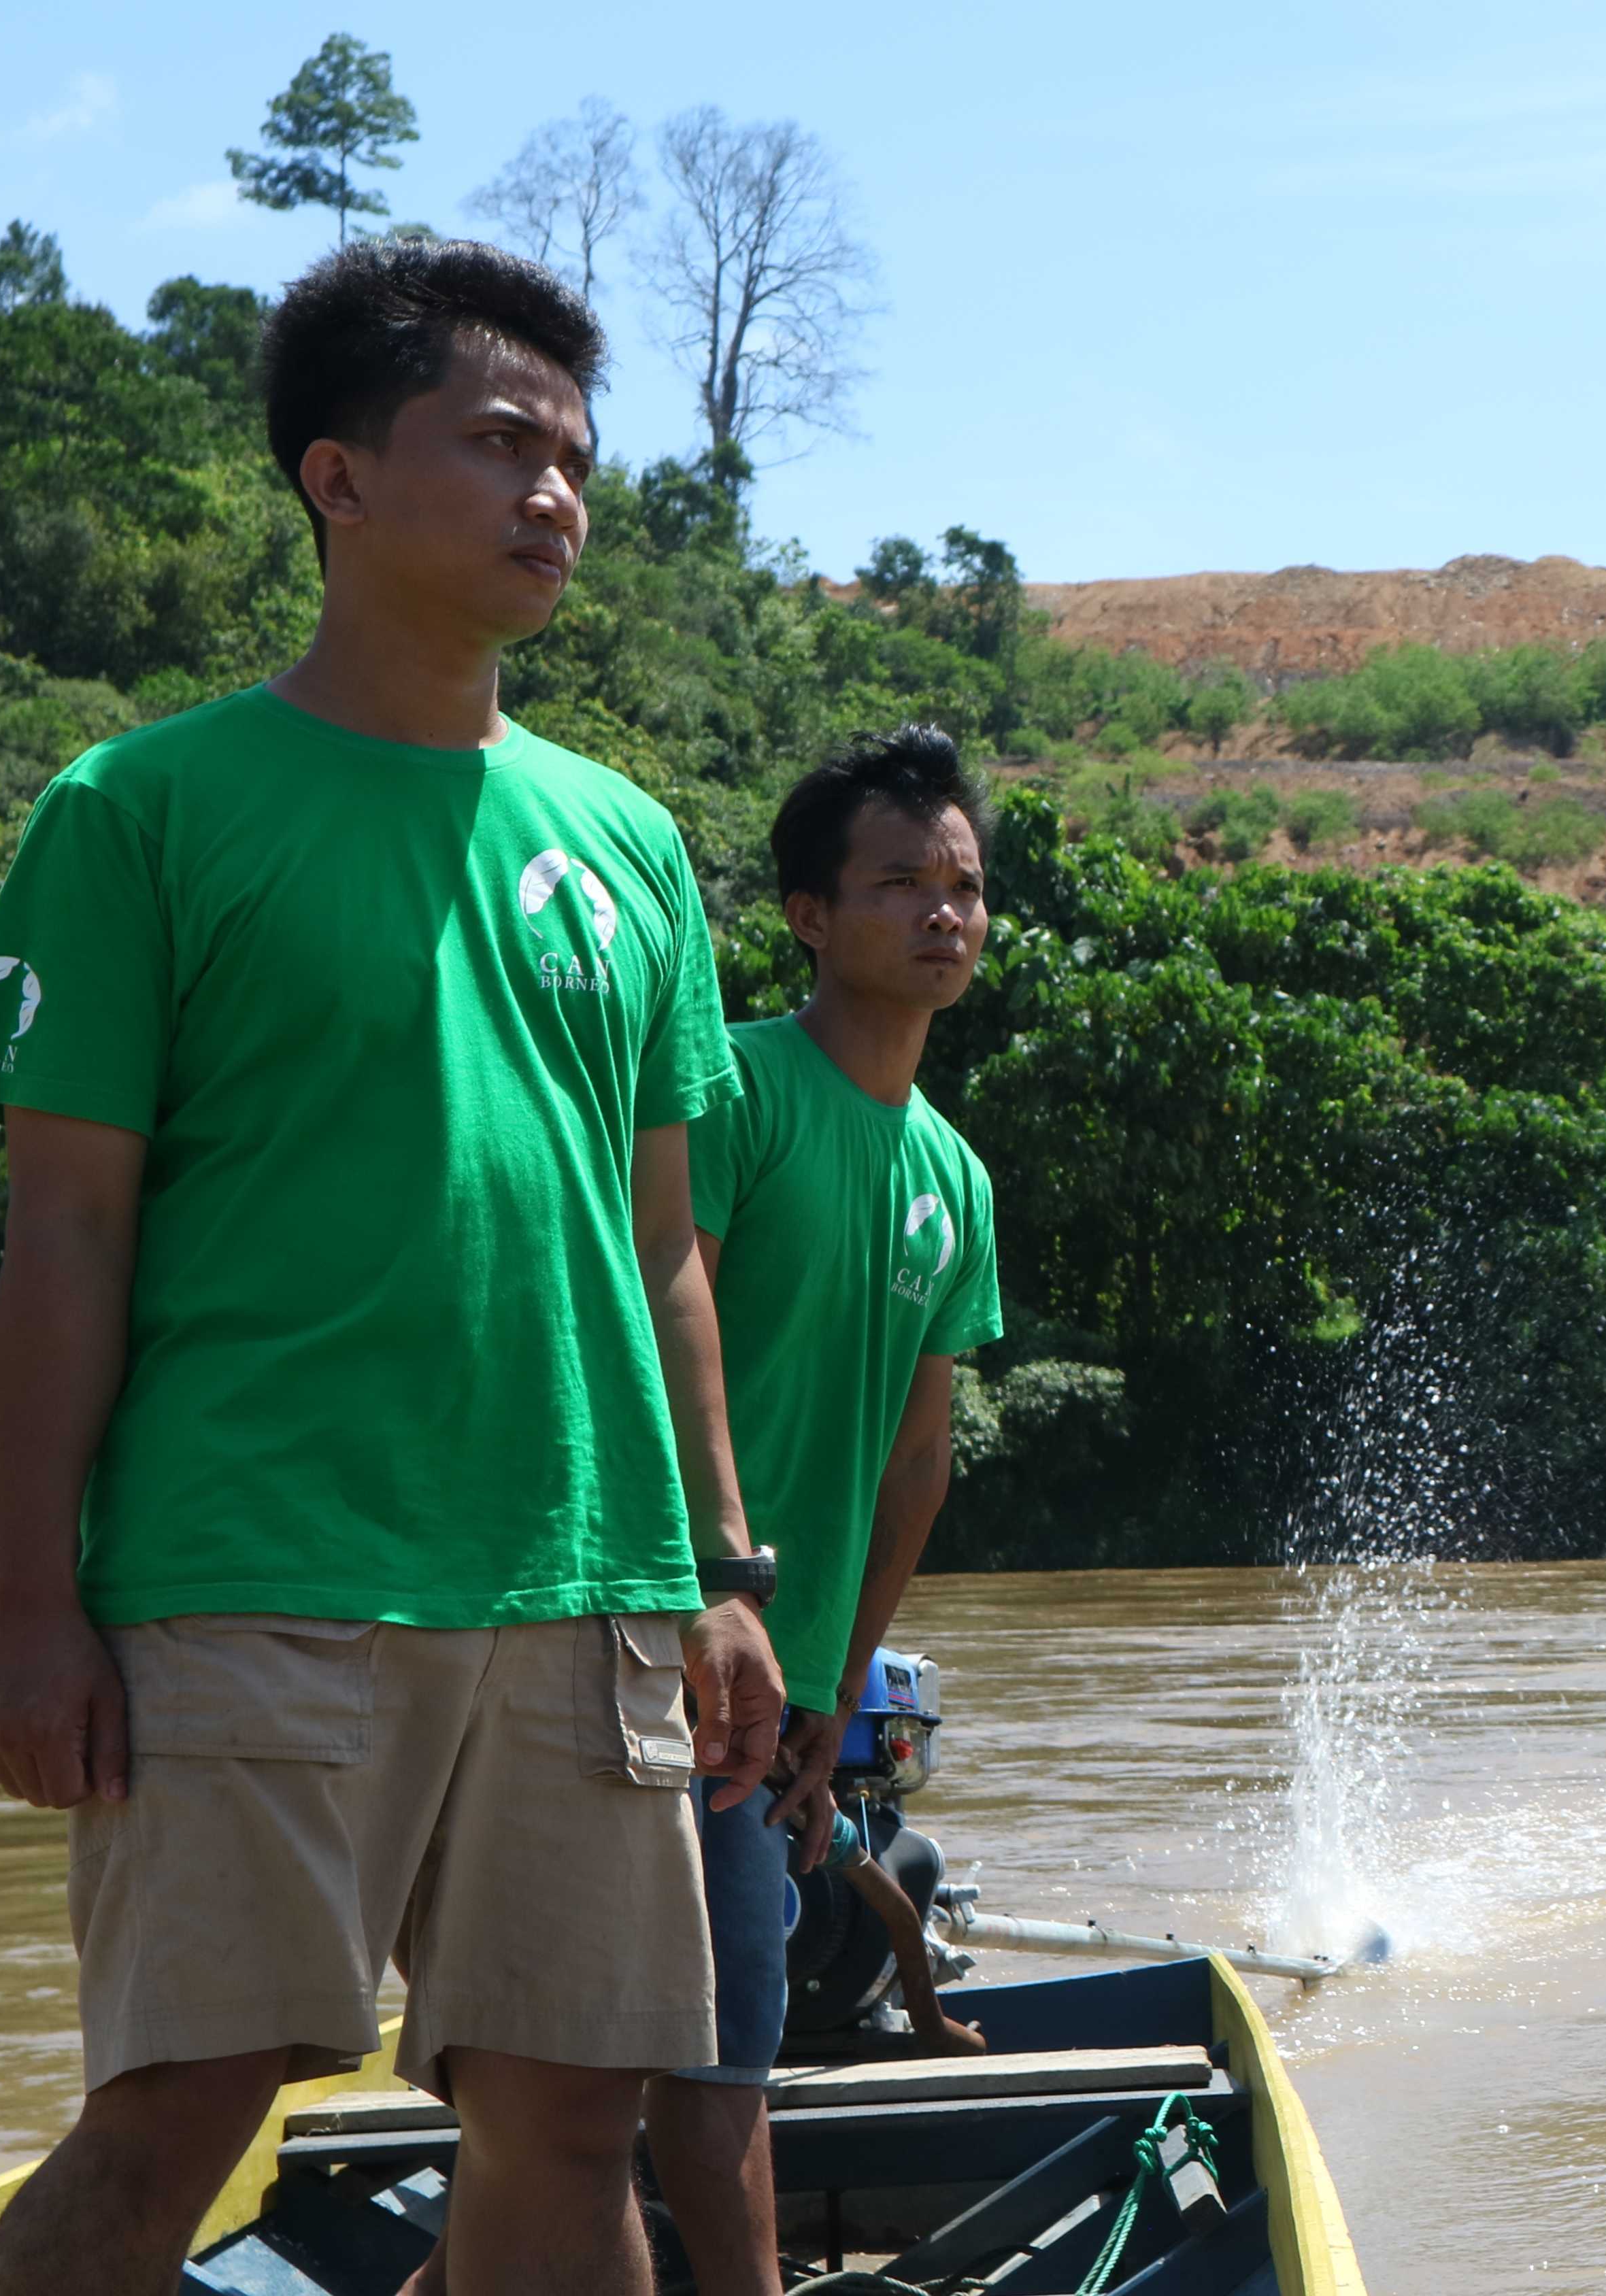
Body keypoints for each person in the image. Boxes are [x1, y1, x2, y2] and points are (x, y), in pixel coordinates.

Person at [0, 238, 783, 2296]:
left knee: (572, 2117)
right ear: (337, 476)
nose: (553, 495)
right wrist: (29, 1604)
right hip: (253, 1565)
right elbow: (65, 1234)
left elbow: (664, 1251)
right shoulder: (140, 809)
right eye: (499, 443)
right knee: (177, 2108)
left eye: (574, 459)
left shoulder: (628, 841)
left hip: (582, 1577)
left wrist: (721, 1572)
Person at [647, 726, 1007, 2295]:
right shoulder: (729, 1090)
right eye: (900, 882)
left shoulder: (955, 1178)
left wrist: (836, 1689)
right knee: (702, 2053)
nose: (944, 912)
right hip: (647, 1631)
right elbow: (651, 1334)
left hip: (778, 1676)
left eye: (964, 886)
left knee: (646, 2065)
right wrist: (698, 1594)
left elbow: (914, 1465)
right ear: (808, 913)